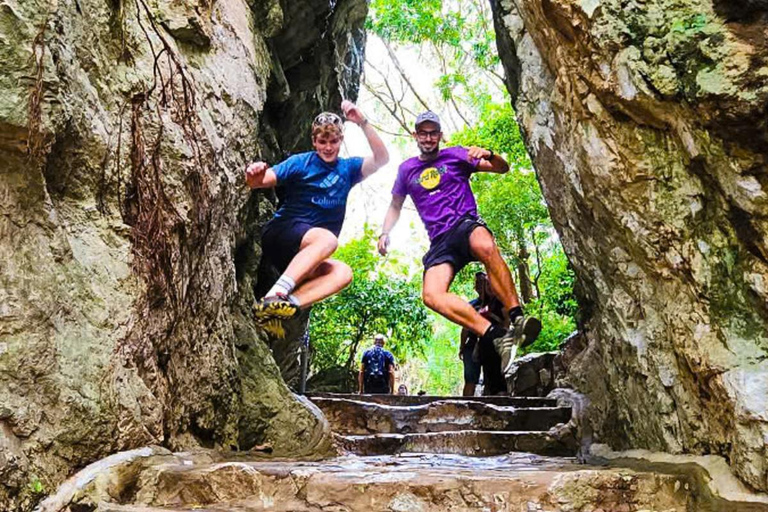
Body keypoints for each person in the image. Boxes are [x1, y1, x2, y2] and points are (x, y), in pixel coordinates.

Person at [378, 110, 541, 375]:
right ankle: (498, 337)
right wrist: (384, 232)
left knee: (485, 246)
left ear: (440, 135)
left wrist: (488, 153)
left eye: (433, 132)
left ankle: (517, 317)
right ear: (415, 135)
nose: (428, 138)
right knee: (431, 294)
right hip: (440, 240)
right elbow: (395, 205)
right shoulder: (407, 169)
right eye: (423, 132)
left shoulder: (456, 154)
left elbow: (502, 168)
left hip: (464, 224)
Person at [245, 100, 388, 337]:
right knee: (328, 241)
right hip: (282, 234)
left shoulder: (348, 169)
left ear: (341, 141)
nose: (328, 147)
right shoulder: (301, 162)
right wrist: (254, 175)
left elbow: (382, 159)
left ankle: (279, 307)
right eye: (323, 141)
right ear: (314, 141)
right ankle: (277, 292)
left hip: (305, 256)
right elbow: (262, 181)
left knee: (343, 273)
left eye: (333, 141)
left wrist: (362, 122)